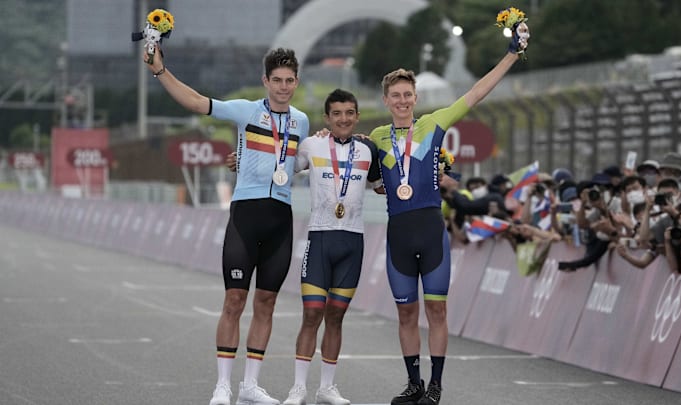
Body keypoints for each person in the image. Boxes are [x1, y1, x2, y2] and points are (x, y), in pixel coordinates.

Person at [368, 23, 530, 405]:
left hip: (430, 229)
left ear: (415, 97)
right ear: (387, 100)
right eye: (396, 96)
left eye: (408, 94)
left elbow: (475, 93)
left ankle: (436, 386)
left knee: (436, 311)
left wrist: (511, 54)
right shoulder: (375, 137)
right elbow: (350, 157)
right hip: (398, 236)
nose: (403, 100)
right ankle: (414, 384)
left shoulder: (434, 123)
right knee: (406, 316)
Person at [144, 47, 310, 405]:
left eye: (289, 81)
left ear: (296, 82)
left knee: (266, 302)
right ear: (265, 81)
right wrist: (160, 71)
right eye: (276, 80)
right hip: (245, 216)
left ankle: (251, 386)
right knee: (234, 300)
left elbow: (297, 162)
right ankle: (223, 385)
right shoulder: (246, 110)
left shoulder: (301, 121)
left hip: (281, 218)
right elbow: (196, 101)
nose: (283, 87)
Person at [281, 89, 383, 405]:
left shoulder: (368, 150)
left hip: (352, 240)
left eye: (349, 113)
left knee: (336, 316)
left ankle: (327, 388)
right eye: (336, 113)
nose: (343, 119)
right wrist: (241, 159)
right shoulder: (312, 144)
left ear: (357, 116)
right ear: (327, 117)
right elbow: (282, 167)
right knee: (312, 314)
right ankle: (298, 389)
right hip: (320, 238)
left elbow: (382, 186)